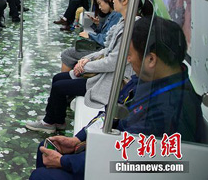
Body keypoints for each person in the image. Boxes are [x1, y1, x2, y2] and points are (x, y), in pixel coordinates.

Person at [30, 16, 202, 180]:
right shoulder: (148, 81)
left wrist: (63, 162)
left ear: (151, 59)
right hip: (114, 149)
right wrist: (79, 139)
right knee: (45, 147)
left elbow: (125, 160)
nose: (127, 59)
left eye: (130, 54)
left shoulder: (168, 110)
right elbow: (111, 112)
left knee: (42, 176)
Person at [26, 0, 152, 133]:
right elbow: (107, 50)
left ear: (125, 0)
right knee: (58, 78)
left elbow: (114, 61)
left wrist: (85, 66)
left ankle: (49, 123)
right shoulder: (123, 21)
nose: (113, 0)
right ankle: (55, 119)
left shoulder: (132, 28)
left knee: (59, 87)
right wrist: (85, 60)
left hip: (112, 81)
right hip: (105, 74)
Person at [60, 0, 121, 72]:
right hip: (101, 48)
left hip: (101, 50)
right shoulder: (112, 15)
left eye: (100, 4)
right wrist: (97, 25)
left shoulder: (117, 16)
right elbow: (106, 33)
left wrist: (90, 35)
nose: (99, 7)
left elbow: (107, 39)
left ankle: (65, 77)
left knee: (67, 54)